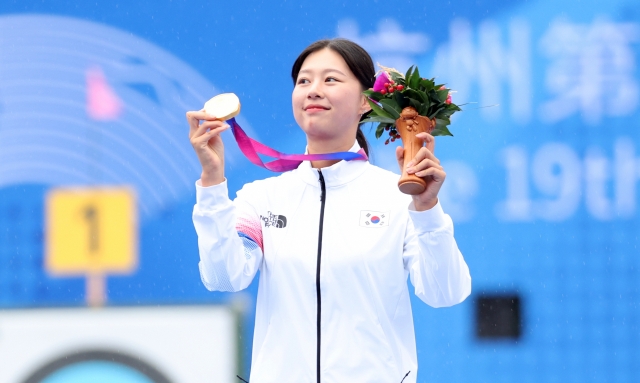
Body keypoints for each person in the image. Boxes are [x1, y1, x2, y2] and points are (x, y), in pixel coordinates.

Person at [186, 38, 471, 383]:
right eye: (304, 81)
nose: (313, 90)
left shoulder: (397, 199)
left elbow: (445, 293)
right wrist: (213, 184)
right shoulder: (262, 199)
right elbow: (223, 277)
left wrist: (426, 210)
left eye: (331, 80)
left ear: (367, 102)